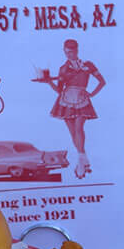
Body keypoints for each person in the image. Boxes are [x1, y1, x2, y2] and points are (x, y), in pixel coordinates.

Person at [37, 39, 105, 178]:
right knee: (73, 132)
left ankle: (80, 160)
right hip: (65, 101)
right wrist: (49, 82)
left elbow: (102, 81)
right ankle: (84, 159)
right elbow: (59, 89)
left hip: (81, 98)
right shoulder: (63, 68)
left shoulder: (88, 65)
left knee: (79, 128)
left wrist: (92, 93)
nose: (68, 55)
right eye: (66, 52)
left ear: (77, 51)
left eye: (71, 52)